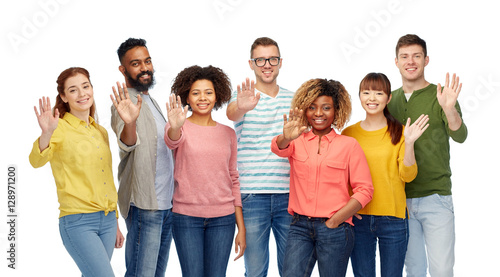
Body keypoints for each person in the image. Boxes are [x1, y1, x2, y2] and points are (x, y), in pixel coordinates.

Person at [271, 78, 374, 277]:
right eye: (312, 107)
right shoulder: (296, 141)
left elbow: (365, 190)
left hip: (335, 229)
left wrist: (336, 220)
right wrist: (286, 137)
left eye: (326, 108)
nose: (318, 113)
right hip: (299, 227)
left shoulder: (349, 145)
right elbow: (278, 148)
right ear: (304, 110)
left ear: (336, 110)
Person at [29, 67, 125, 276]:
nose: (82, 94)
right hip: (79, 221)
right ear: (63, 97)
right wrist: (46, 134)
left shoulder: (100, 131)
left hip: (107, 220)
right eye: (73, 90)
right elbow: (35, 161)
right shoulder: (58, 128)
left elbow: (106, 179)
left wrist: (116, 222)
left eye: (85, 86)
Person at [387, 34, 468, 277]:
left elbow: (460, 135)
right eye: (405, 57)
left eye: (416, 56)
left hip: (436, 196)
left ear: (426, 60)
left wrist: (449, 109)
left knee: (442, 270)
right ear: (396, 62)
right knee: (414, 269)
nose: (410, 61)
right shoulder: (390, 100)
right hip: (401, 200)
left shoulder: (441, 96)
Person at [342, 72, 429, 277]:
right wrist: (347, 207)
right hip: (359, 218)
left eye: (379, 93)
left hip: (393, 218)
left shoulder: (400, 132)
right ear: (360, 96)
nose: (372, 98)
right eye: (366, 92)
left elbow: (407, 175)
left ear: (388, 98)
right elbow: (341, 178)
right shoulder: (348, 134)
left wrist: (409, 143)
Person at [164, 65, 245, 276]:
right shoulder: (177, 126)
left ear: (217, 96)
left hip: (223, 218)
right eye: (196, 93)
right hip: (186, 217)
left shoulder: (228, 133)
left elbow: (233, 178)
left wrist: (241, 227)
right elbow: (172, 142)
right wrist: (174, 126)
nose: (203, 98)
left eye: (208, 92)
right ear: (187, 98)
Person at [226, 37, 294, 277]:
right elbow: (232, 113)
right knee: (255, 271)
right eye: (261, 59)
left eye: (272, 59)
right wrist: (243, 106)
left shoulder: (294, 99)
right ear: (251, 64)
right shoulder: (242, 98)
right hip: (253, 195)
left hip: (290, 195)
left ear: (280, 62)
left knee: (292, 269)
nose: (267, 64)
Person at [110, 38, 175, 277]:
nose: (144, 67)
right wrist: (130, 122)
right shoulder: (123, 101)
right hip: (144, 205)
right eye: (135, 63)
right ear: (123, 69)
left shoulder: (151, 101)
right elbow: (127, 143)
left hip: (166, 205)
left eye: (147, 61)